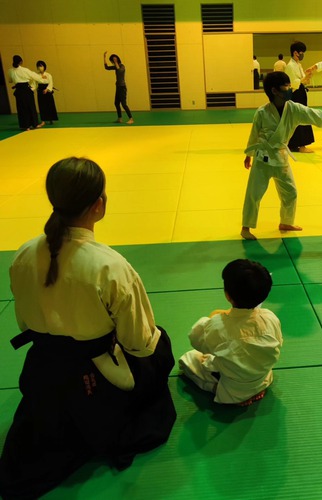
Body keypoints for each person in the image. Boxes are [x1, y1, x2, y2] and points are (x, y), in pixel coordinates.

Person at [0, 157, 176, 499]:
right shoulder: (109, 266)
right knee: (160, 342)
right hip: (99, 374)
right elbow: (138, 342)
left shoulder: (22, 255)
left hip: (43, 369)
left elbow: (25, 321)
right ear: (99, 205)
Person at [240, 71, 322, 241]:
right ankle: (246, 227)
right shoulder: (262, 112)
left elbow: (318, 116)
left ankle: (286, 222)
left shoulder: (294, 108)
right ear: (275, 90)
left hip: (281, 157)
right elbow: (254, 134)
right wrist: (249, 154)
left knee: (290, 192)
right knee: (254, 194)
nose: (290, 88)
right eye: (287, 86)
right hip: (263, 158)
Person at [179, 259, 283, 406]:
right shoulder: (270, 318)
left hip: (234, 389)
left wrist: (212, 317)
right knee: (238, 355)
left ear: (228, 295)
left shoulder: (217, 325)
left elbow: (196, 340)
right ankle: (252, 390)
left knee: (187, 359)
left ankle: (219, 390)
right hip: (262, 378)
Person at [285, 41, 314, 153]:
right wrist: (303, 79)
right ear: (295, 52)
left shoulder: (298, 65)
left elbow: (302, 81)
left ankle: (296, 144)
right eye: (302, 52)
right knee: (299, 118)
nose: (303, 55)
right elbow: (293, 83)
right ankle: (300, 145)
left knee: (302, 117)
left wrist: (307, 77)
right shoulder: (290, 66)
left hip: (301, 93)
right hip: (295, 94)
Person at [7, 55, 46, 130]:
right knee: (31, 106)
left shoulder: (10, 71)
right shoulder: (25, 70)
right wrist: (42, 79)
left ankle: (25, 125)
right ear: (21, 62)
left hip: (18, 90)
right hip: (26, 90)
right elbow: (35, 77)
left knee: (21, 108)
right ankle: (34, 124)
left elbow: (10, 80)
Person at [103, 51, 133, 124]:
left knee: (123, 104)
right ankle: (119, 118)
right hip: (118, 87)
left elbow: (119, 71)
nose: (113, 61)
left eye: (114, 60)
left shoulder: (122, 66)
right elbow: (106, 68)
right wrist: (104, 58)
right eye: (112, 60)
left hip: (122, 87)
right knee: (116, 103)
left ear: (117, 59)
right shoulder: (115, 67)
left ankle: (131, 119)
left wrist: (116, 62)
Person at [35, 60, 58, 125]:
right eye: (38, 66)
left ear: (44, 67)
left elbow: (51, 83)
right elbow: (35, 84)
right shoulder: (36, 75)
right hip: (40, 90)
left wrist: (47, 89)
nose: (40, 67)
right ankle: (43, 120)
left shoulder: (48, 75)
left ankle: (51, 118)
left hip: (47, 91)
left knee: (49, 105)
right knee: (42, 106)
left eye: (41, 66)